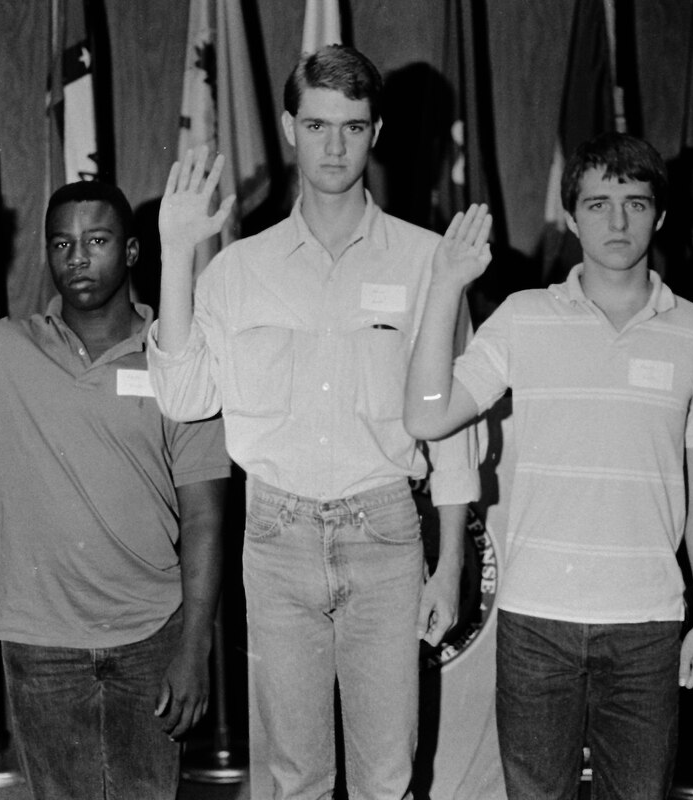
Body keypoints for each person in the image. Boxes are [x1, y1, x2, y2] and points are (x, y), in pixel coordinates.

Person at [146, 46, 480, 799]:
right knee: (293, 776)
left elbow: (452, 429)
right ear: (291, 129)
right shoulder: (237, 268)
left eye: (353, 127)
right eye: (319, 125)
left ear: (377, 131)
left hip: (387, 535)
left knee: (385, 776)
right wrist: (175, 252)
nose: (335, 146)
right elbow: (185, 394)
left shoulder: (431, 262)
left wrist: (450, 564)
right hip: (276, 537)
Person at [0, 178, 232, 800]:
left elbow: (204, 519)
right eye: (62, 243)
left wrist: (194, 645)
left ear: (133, 252)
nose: (78, 257)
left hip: (151, 631)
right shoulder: (4, 346)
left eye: (97, 240)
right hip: (41, 638)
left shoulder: (179, 360)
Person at [403, 131, 693, 800]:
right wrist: (443, 288)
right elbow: (428, 416)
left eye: (635, 203)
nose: (617, 221)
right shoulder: (524, 318)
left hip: (648, 622)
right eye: (598, 203)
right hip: (537, 622)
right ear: (572, 215)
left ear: (659, 215)